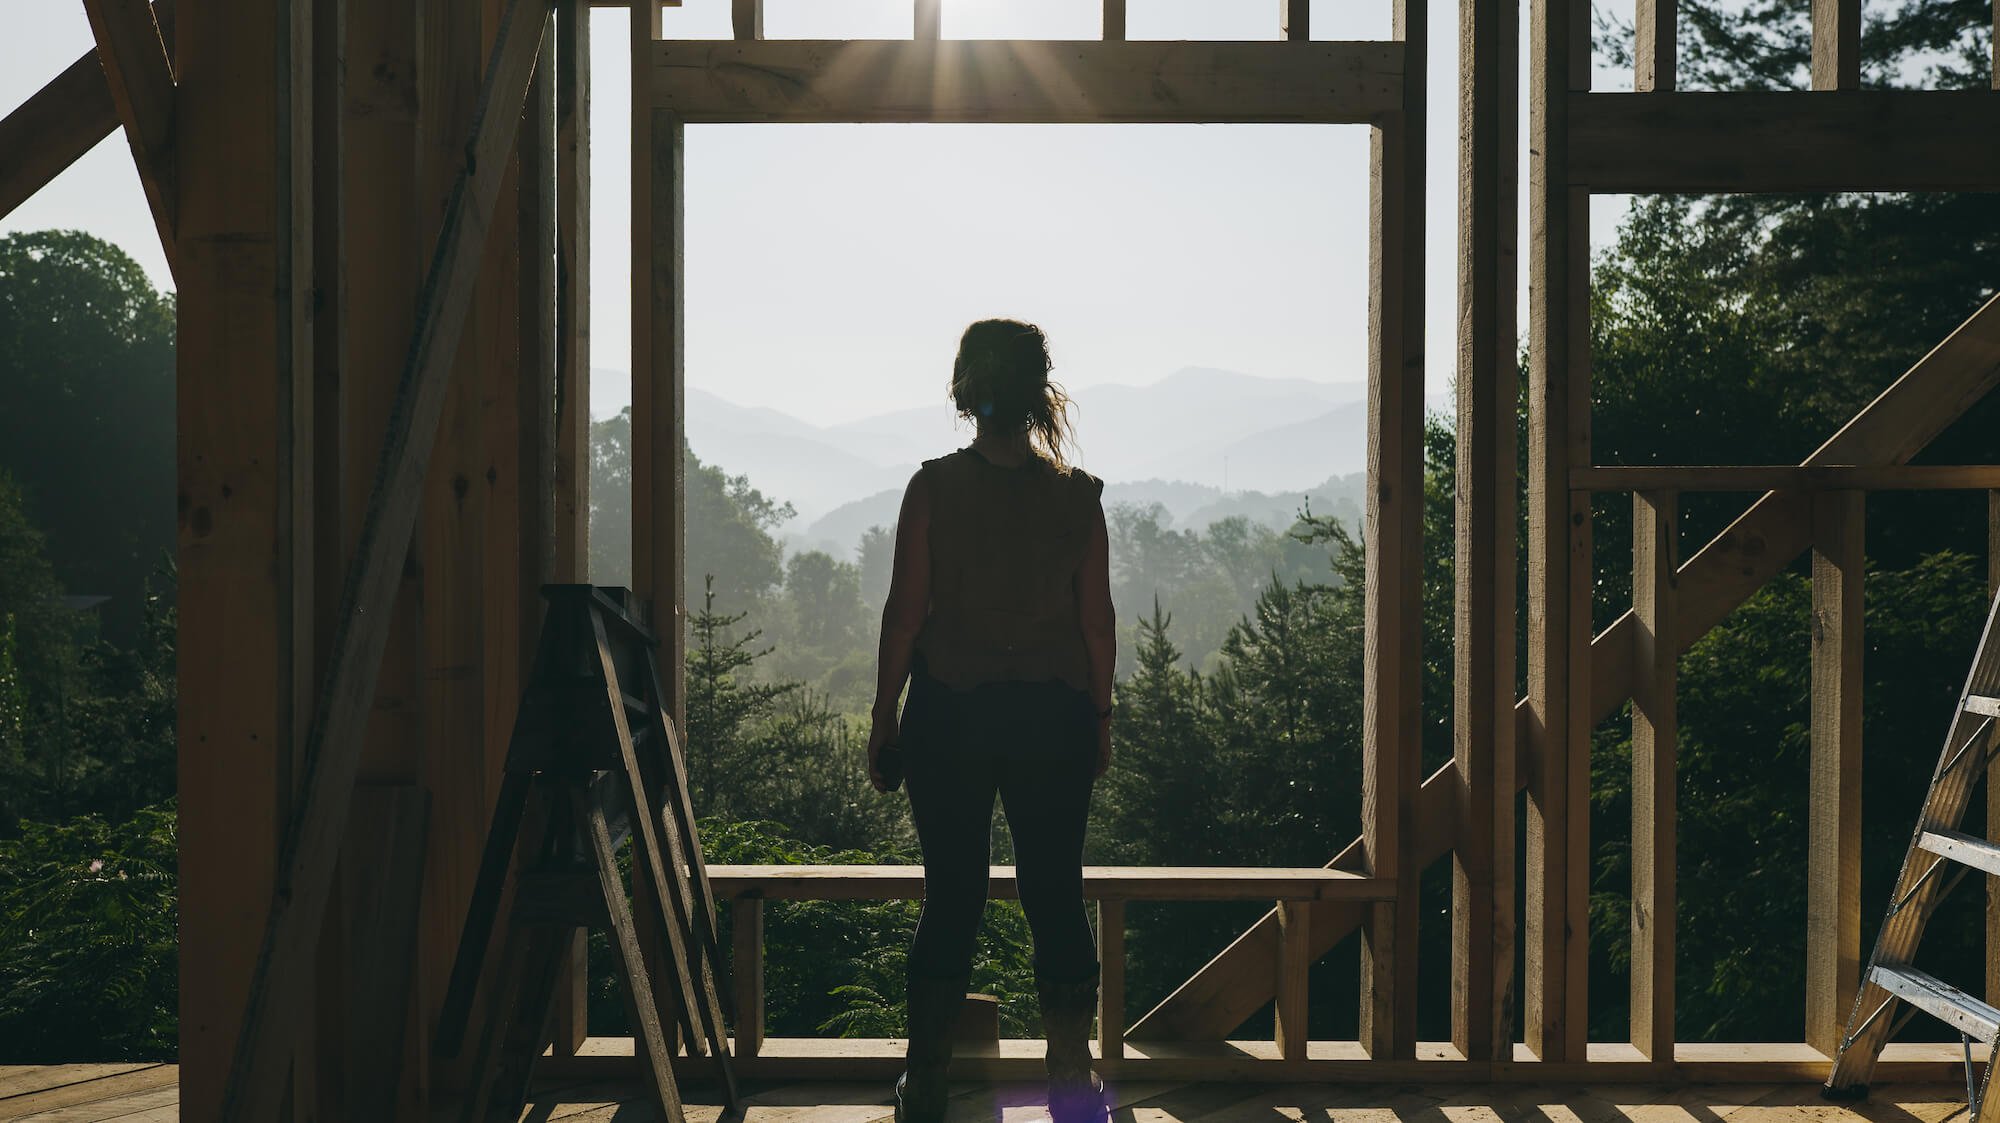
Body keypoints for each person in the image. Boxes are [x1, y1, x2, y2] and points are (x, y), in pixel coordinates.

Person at [866, 319, 1117, 1123]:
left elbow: (905, 618)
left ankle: (929, 1085)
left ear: (967, 391)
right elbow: (1097, 625)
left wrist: (884, 715)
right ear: (1038, 392)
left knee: (952, 896)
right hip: (1053, 717)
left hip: (952, 715)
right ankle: (1072, 1084)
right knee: (1056, 890)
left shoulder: (933, 488)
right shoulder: (1077, 497)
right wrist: (1100, 716)